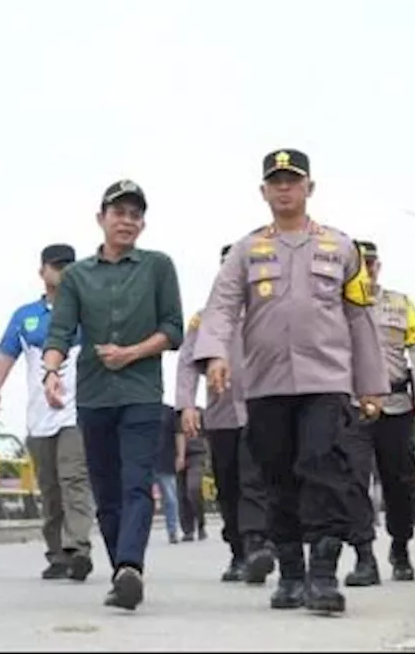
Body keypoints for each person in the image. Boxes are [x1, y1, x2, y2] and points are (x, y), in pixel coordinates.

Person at [194, 148, 389, 615]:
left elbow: (359, 318)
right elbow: (221, 307)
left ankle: (323, 575)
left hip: (327, 380)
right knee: (276, 476)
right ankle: (290, 572)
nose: (285, 188)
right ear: (264, 191)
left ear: (309, 188)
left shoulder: (341, 248)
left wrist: (370, 385)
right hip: (266, 384)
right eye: (276, 181)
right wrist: (216, 354)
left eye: (293, 180)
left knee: (324, 470)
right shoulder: (246, 250)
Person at [42, 179, 184, 611]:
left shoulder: (158, 266)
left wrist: (132, 353)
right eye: (119, 213)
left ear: (143, 223)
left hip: (141, 391)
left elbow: (173, 329)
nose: (127, 221)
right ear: (101, 218)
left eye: (135, 214)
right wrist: (50, 371)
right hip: (93, 394)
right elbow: (61, 330)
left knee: (136, 482)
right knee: (105, 487)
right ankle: (121, 567)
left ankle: (129, 568)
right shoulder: (78, 276)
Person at [0, 243, 94, 582]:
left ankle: (78, 549)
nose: (62, 272)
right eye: (56, 266)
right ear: (42, 271)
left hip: (78, 412)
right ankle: (57, 553)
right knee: (49, 488)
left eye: (68, 267)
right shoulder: (26, 316)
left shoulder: (89, 312)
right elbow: (6, 352)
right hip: (40, 416)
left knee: (73, 478)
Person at [177, 247, 276, 584]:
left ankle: (257, 543)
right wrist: (187, 405)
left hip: (260, 410)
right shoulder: (203, 320)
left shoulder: (266, 312)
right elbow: (187, 364)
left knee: (255, 481)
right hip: (220, 415)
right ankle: (238, 552)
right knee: (227, 484)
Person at [342, 240, 415, 585]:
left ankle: (400, 546)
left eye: (370, 263)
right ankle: (364, 555)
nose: (366, 269)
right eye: (358, 263)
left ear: (378, 266)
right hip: (351, 406)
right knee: (353, 480)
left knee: (400, 481)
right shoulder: (334, 304)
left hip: (395, 406)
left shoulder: (400, 304)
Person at [153, 404, 183, 544]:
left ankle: (172, 532)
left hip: (165, 459)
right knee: (140, 498)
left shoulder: (169, 412)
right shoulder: (141, 411)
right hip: (145, 461)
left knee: (170, 498)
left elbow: (179, 434)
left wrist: (180, 456)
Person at [177, 425, 208, 542]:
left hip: (197, 453)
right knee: (182, 493)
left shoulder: (198, 410)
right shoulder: (171, 412)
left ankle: (201, 523)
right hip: (176, 453)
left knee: (193, 488)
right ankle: (188, 529)